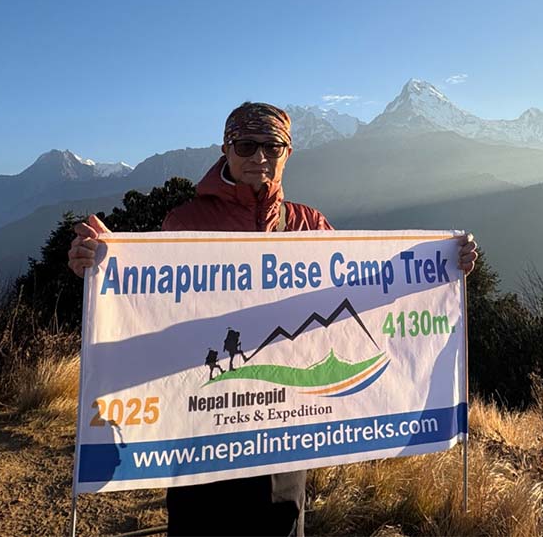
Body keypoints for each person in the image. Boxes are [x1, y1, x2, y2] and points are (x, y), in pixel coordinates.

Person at [68, 101, 477, 537]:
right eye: (246, 145)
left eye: (272, 146)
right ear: (226, 149)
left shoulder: (308, 223)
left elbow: (362, 289)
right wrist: (98, 266)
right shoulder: (185, 221)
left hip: (282, 431)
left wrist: (445, 267)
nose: (259, 158)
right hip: (198, 430)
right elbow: (147, 300)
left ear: (288, 153)